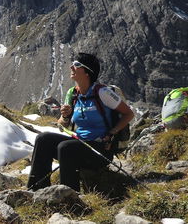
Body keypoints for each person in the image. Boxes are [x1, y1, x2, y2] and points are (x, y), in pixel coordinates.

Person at [27, 53, 135, 192]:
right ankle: (35, 190)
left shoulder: (102, 92)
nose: (72, 67)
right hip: (78, 144)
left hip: (100, 149)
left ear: (87, 72)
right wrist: (65, 116)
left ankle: (70, 197)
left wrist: (112, 132)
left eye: (77, 65)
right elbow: (62, 123)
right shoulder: (72, 94)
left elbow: (128, 114)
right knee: (43, 139)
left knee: (65, 148)